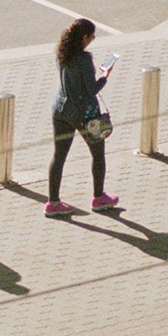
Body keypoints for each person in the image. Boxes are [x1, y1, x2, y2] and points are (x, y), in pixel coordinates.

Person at [45, 17, 119, 217]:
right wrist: (105, 75)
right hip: (83, 114)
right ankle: (99, 197)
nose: (92, 40)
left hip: (60, 109)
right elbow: (91, 89)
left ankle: (53, 202)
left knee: (59, 155)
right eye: (92, 37)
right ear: (84, 37)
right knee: (98, 152)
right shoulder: (84, 59)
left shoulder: (62, 52)